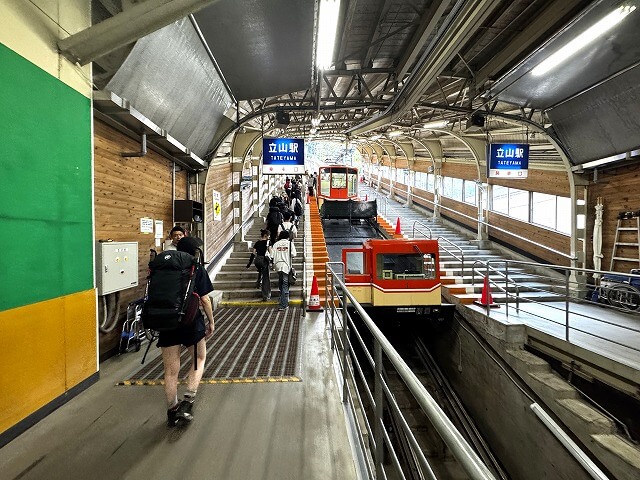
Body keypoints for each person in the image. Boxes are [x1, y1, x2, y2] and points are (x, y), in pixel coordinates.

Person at [158, 236, 214, 427]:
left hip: (166, 321)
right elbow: (205, 300)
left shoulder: (163, 268)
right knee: (199, 358)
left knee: (170, 370)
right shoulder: (195, 267)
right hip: (191, 322)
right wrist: (211, 322)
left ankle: (172, 410)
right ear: (195, 251)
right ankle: (187, 402)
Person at [272, 230, 296, 311]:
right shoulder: (290, 244)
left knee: (281, 282)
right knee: (285, 285)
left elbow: (272, 255)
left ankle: (283, 298)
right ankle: (283, 304)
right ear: (288, 236)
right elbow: (293, 254)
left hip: (278, 266)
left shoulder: (276, 244)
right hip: (286, 266)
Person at [246, 229, 272, 301]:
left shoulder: (257, 242)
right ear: (265, 236)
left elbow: (253, 253)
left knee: (261, 271)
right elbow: (271, 253)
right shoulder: (268, 242)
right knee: (266, 278)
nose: (269, 237)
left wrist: (249, 264)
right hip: (264, 260)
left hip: (257, 261)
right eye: (269, 236)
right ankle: (265, 296)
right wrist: (272, 262)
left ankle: (258, 283)